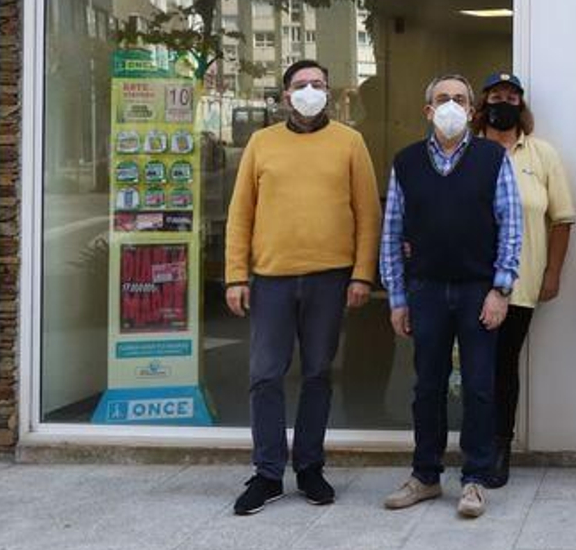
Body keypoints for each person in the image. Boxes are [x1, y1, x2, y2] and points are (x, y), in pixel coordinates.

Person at [224, 59, 381, 515]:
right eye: (301, 85)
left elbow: (368, 215)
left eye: (318, 84)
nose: (310, 90)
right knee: (265, 375)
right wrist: (236, 275)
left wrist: (362, 275)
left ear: (328, 93)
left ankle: (310, 467)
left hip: (330, 278)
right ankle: (268, 473)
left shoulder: (350, 143)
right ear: (285, 95)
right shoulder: (261, 143)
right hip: (271, 278)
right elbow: (241, 215)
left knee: (317, 374)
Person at [379, 73, 523, 520]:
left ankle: (475, 479)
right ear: (428, 111)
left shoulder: (491, 158)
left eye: (460, 99)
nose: (451, 106)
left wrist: (501, 288)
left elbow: (511, 227)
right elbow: (392, 233)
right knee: (427, 387)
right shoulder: (405, 162)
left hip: (478, 289)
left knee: (480, 387)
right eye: (442, 98)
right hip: (425, 290)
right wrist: (397, 297)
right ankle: (425, 475)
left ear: (471, 110)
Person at [472, 71, 575, 488]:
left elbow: (562, 218)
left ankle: (499, 446)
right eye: (496, 96)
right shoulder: (466, 150)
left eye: (511, 97)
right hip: (469, 280)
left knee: (502, 366)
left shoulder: (542, 155)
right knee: (470, 367)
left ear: (522, 105)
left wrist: (552, 273)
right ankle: (471, 445)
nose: (503, 103)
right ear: (483, 104)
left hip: (521, 282)